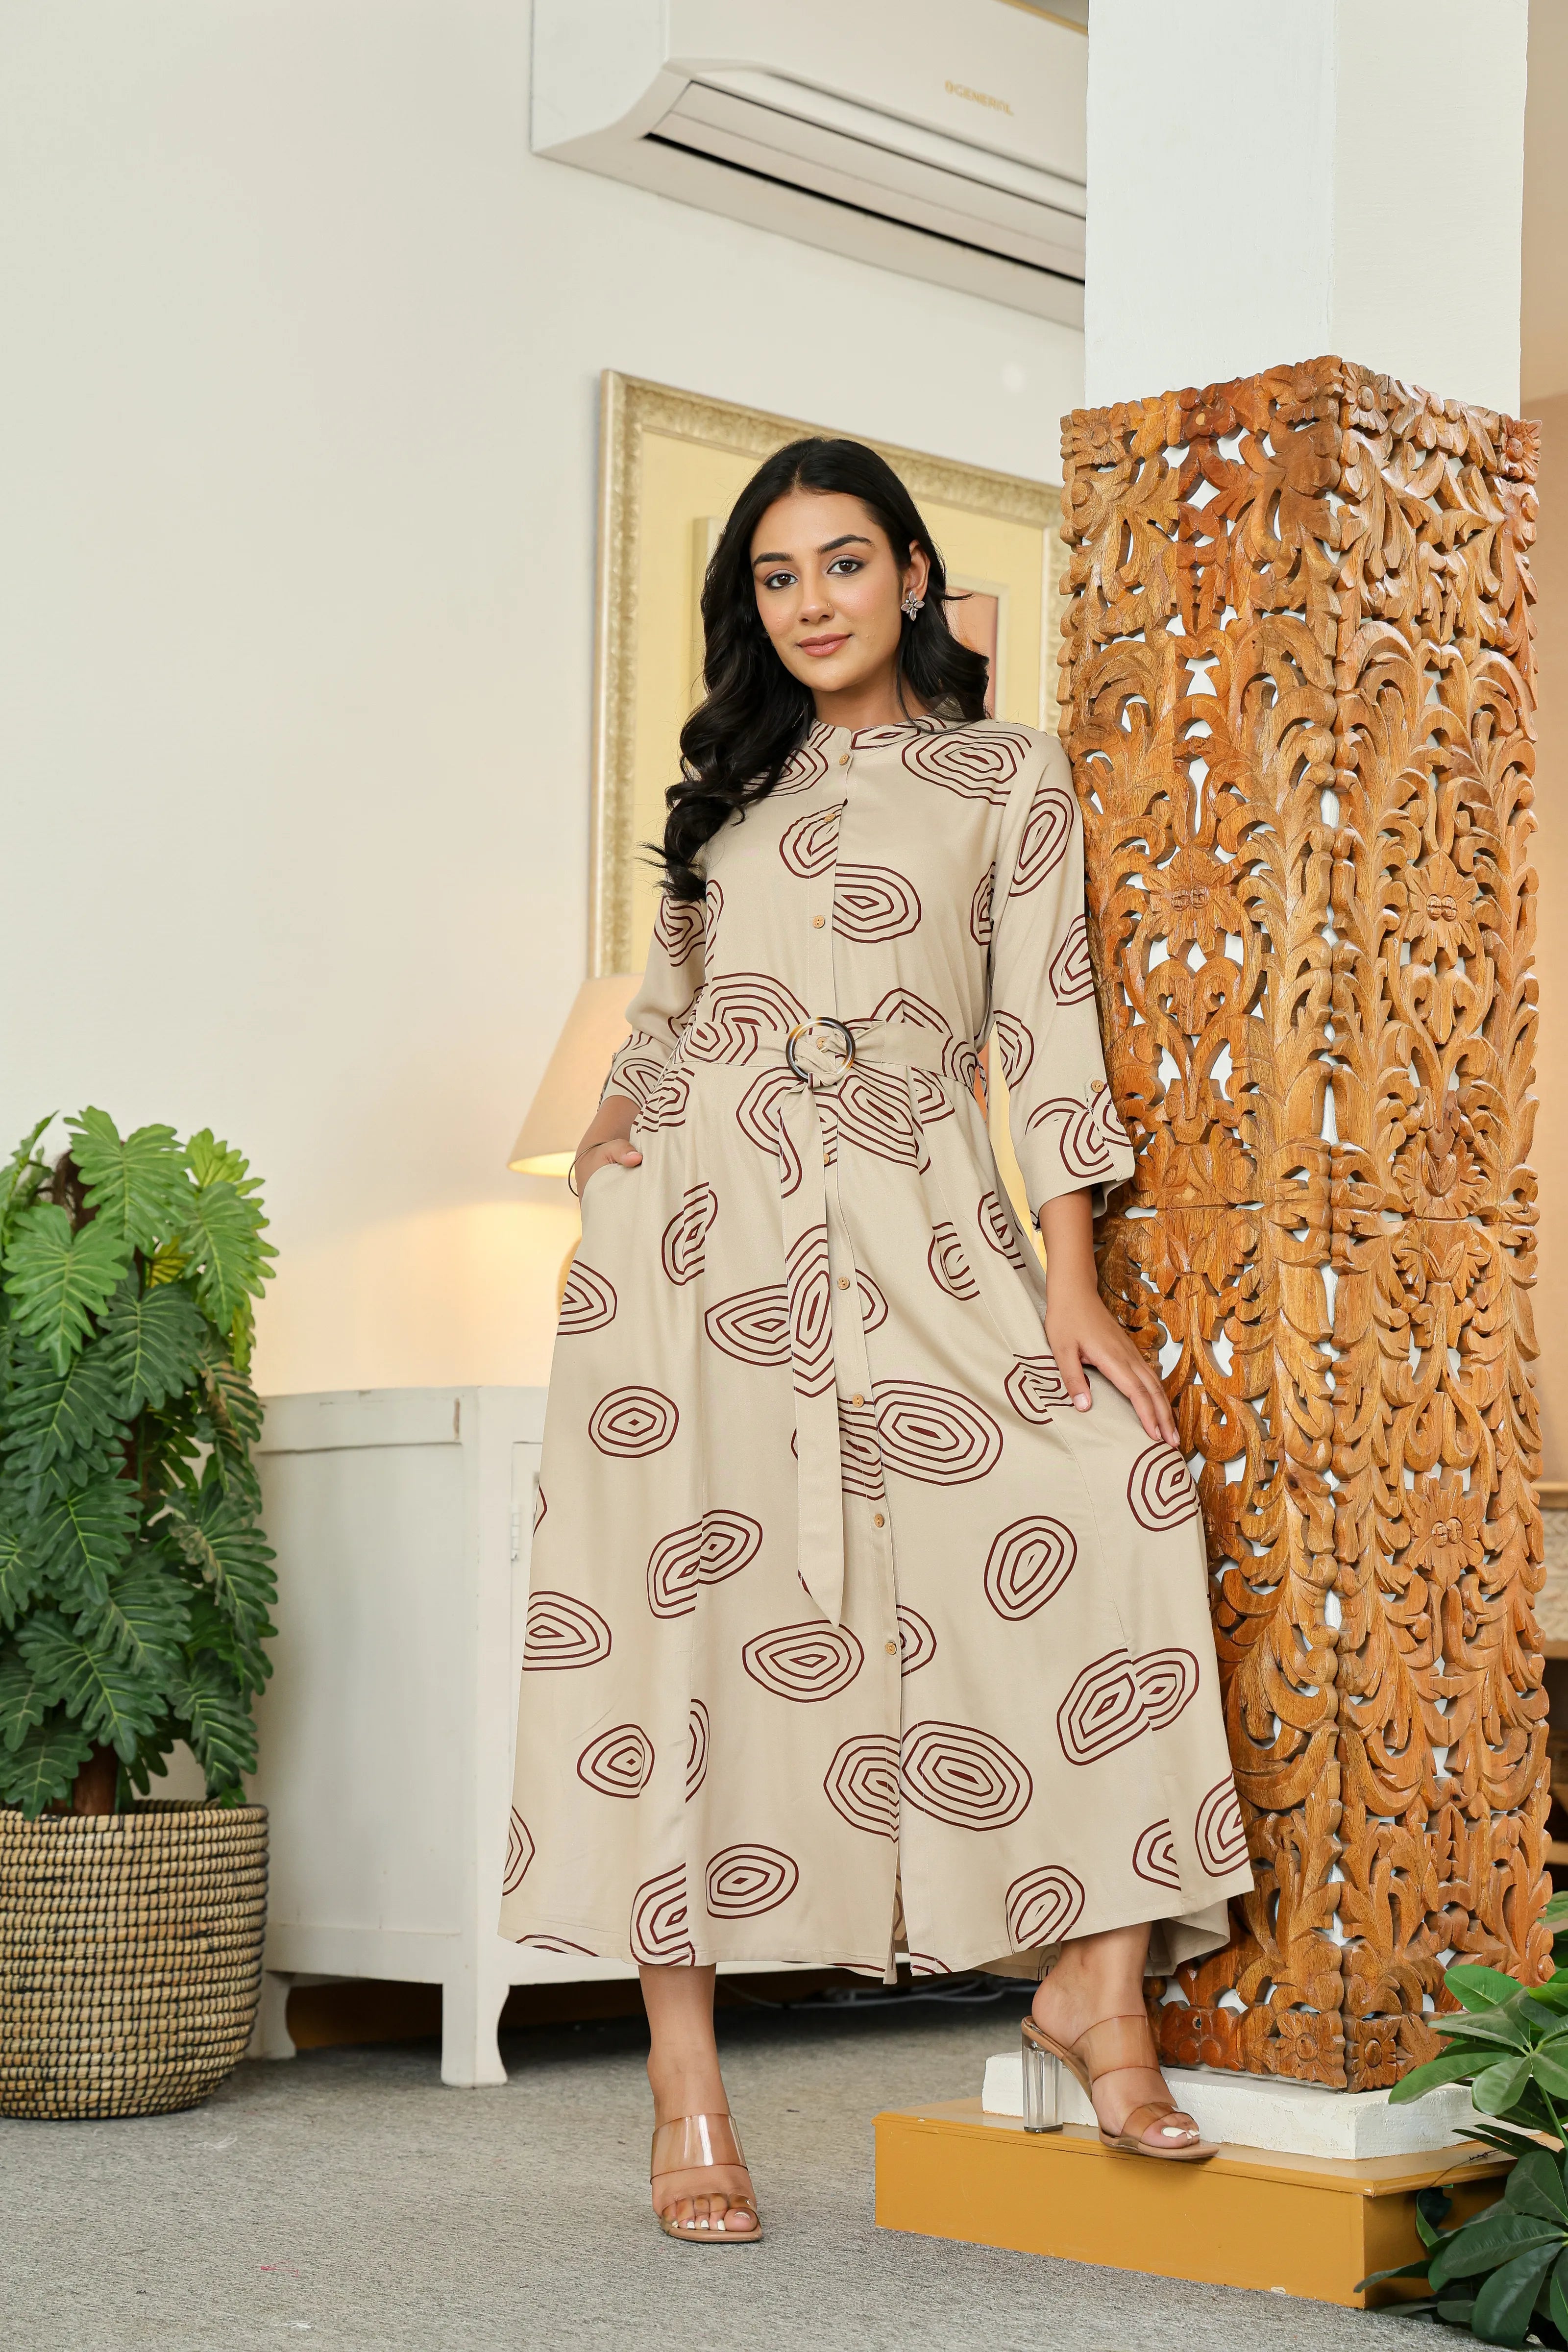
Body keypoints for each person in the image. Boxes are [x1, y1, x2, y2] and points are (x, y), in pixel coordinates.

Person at [500, 438, 1253, 2241]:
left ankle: (1098, 1986)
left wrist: (1072, 1279)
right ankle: (688, 2093)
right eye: (777, 576)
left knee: (1116, 1496)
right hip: (694, 1245)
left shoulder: (1009, 772)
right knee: (682, 1637)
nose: (812, 601)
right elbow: (666, 1012)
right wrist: (610, 1152)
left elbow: (1045, 1029)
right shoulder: (729, 792)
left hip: (923, 1211)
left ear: (915, 575)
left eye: (843, 562)